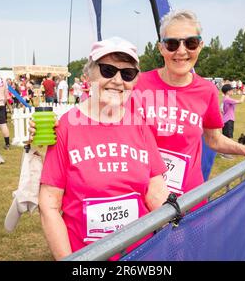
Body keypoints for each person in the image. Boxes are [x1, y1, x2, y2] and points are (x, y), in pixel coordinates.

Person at [38, 37, 169, 260]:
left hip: (142, 254)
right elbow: (49, 205)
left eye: (127, 74)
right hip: (88, 257)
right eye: (108, 70)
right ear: (89, 75)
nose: (118, 80)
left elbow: (155, 192)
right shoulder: (65, 127)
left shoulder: (139, 125)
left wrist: (178, 231)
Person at [131, 9, 245, 202]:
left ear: (200, 46)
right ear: (161, 48)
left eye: (190, 43)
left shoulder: (207, 91)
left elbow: (214, 139)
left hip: (188, 199)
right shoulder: (137, 85)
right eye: (172, 44)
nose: (181, 51)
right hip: (143, 198)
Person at [219, 84, 245, 159]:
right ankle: (226, 154)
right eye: (231, 90)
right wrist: (244, 93)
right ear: (228, 92)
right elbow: (241, 101)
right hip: (228, 120)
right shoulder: (227, 99)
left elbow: (221, 110)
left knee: (226, 137)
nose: (233, 91)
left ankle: (223, 152)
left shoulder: (225, 99)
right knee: (228, 138)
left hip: (227, 120)